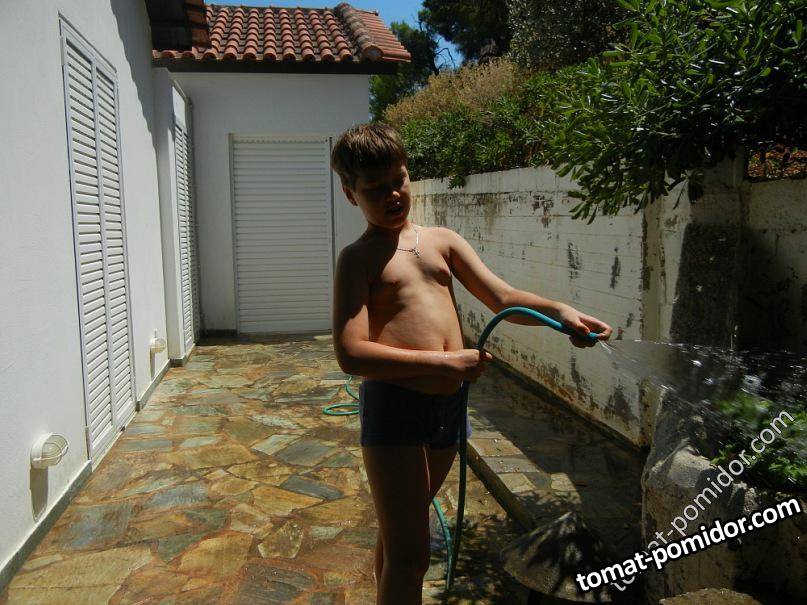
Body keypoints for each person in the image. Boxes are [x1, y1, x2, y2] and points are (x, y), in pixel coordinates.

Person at [330, 123, 612, 605]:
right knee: (411, 557)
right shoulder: (358, 259)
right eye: (374, 188)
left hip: (447, 410)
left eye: (398, 180)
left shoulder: (442, 241)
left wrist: (560, 313)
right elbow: (350, 353)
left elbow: (503, 297)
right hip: (395, 408)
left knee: (403, 537)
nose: (392, 194)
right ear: (350, 193)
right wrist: (444, 363)